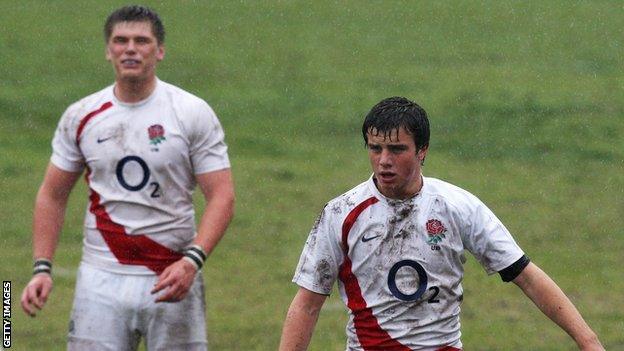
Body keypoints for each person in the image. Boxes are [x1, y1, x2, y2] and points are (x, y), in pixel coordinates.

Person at [279, 97, 604, 351]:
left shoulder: (457, 207)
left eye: (397, 149)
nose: (384, 160)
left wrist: (588, 341)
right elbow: (307, 305)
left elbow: (527, 276)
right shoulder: (341, 213)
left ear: (422, 151)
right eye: (375, 148)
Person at [20, 5, 234, 350]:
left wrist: (192, 260)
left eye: (141, 40)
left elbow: (222, 196)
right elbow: (52, 194)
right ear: (108, 51)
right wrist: (42, 267)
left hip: (173, 275)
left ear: (159, 51)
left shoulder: (191, 112)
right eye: (120, 40)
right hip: (99, 279)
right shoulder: (81, 116)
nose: (130, 48)